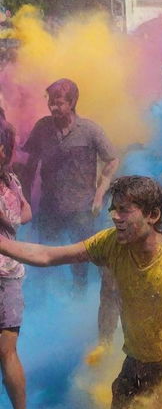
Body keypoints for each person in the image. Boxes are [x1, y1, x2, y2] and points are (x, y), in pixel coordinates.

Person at [0, 175, 162, 409]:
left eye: (124, 210)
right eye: (113, 209)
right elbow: (49, 256)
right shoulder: (110, 242)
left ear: (153, 215)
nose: (115, 216)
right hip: (135, 365)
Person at [21, 78, 119, 293]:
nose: (53, 107)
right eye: (50, 102)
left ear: (72, 102)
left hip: (81, 209)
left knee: (80, 262)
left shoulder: (89, 130)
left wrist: (100, 193)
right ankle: (48, 303)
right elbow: (29, 166)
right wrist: (25, 199)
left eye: (58, 103)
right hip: (49, 208)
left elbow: (112, 160)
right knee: (44, 258)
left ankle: (79, 302)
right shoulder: (42, 127)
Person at [0, 110, 48, 409]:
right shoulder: (12, 182)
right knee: (7, 351)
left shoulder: (11, 181)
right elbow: (25, 215)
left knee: (7, 351)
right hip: (9, 273)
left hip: (7, 273)